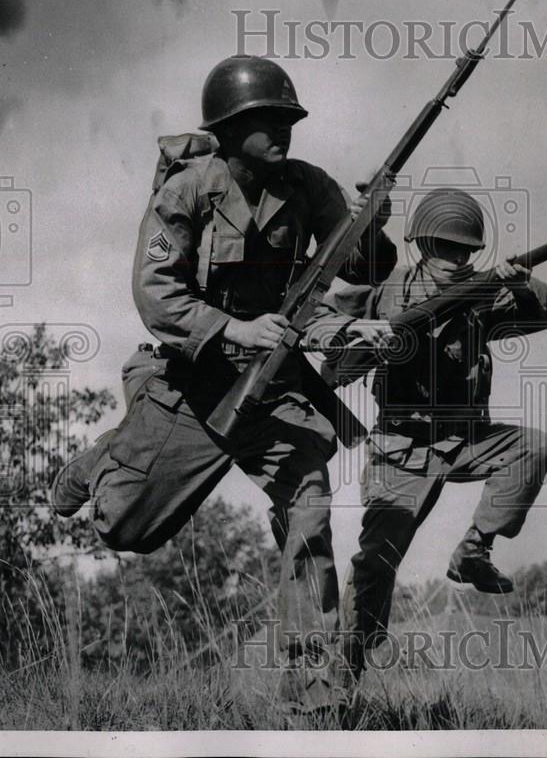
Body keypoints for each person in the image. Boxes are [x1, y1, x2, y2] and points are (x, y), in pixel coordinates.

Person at [51, 55, 397, 676]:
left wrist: (370, 224)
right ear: (231, 128)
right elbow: (156, 292)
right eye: (267, 118)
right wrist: (234, 327)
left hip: (274, 393)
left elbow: (362, 270)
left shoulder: (310, 186)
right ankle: (107, 457)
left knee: (309, 503)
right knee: (125, 530)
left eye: (288, 117)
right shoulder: (186, 190)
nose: (283, 129)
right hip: (195, 385)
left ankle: (310, 675)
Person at [326, 187, 547, 680]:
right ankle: (340, 676)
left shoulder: (485, 294)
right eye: (445, 248)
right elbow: (326, 323)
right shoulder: (387, 289)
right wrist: (363, 335)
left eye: (465, 251)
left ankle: (475, 549)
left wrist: (519, 283)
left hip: (465, 439)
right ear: (422, 245)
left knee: (534, 446)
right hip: (402, 447)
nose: (456, 260)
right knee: (376, 563)